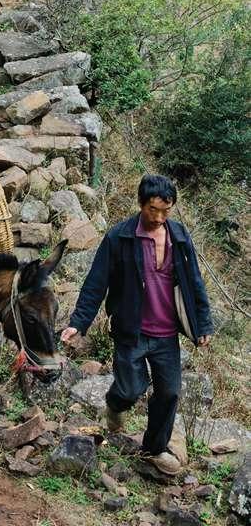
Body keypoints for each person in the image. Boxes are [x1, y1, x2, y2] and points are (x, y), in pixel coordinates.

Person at [61, 174, 213, 476]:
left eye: (165, 211)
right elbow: (96, 282)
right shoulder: (120, 237)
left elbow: (195, 283)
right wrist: (78, 322)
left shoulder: (179, 237)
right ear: (140, 204)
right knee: (131, 390)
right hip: (131, 330)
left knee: (169, 393)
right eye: (152, 210)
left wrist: (203, 325)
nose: (158, 217)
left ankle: (153, 449)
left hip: (167, 333)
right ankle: (115, 406)